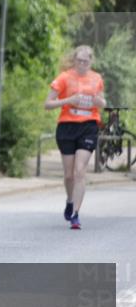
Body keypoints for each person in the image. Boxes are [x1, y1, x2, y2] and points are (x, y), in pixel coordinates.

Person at [44, 45, 105, 230]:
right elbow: (48, 104)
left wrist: (98, 102)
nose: (82, 64)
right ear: (74, 60)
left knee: (80, 171)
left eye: (86, 61)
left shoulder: (96, 79)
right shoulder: (64, 78)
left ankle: (76, 214)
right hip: (67, 126)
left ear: (90, 62)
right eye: (79, 61)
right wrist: (68, 101)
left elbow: (103, 102)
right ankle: (70, 200)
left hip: (88, 125)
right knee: (69, 174)